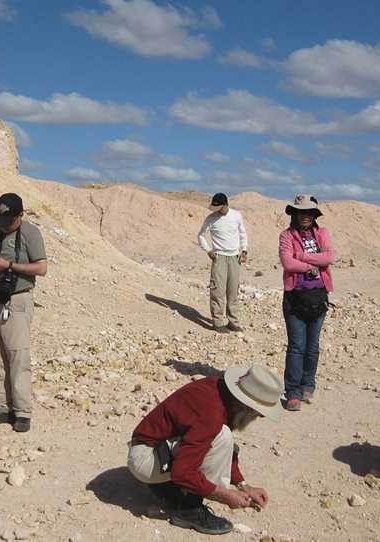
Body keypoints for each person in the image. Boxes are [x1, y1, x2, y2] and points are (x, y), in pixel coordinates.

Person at [127, 365, 281, 535]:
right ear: (249, 407)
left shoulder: (220, 392)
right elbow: (182, 471)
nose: (258, 418)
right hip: (144, 458)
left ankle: (165, 487)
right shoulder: (212, 413)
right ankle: (190, 510)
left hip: (153, 449)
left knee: (220, 438)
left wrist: (243, 485)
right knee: (222, 437)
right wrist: (224, 494)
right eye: (260, 414)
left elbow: (212, 446)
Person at [0, 193, 47, 433]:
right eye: (1, 220)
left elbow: (42, 267)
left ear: (20, 215)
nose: (4, 226)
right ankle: (2, 407)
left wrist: (10, 266)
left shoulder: (30, 233)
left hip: (17, 300)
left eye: (9, 221)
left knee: (18, 356)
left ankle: (23, 412)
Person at [277, 194, 335, 411]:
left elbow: (329, 257)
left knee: (312, 347)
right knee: (296, 347)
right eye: (302, 212)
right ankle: (292, 391)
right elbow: (287, 261)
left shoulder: (322, 233)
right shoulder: (286, 236)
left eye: (309, 213)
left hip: (318, 297)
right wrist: (309, 265)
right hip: (295, 298)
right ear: (294, 214)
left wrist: (301, 257)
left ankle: (308, 384)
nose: (306, 217)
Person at [197, 193, 248, 334]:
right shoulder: (211, 218)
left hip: (234, 257)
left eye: (219, 206)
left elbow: (242, 233)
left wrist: (244, 250)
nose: (217, 209)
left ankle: (233, 322)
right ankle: (218, 322)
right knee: (217, 291)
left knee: (233, 291)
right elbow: (201, 235)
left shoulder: (236, 215)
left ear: (226, 204)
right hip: (219, 257)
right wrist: (208, 250)